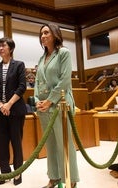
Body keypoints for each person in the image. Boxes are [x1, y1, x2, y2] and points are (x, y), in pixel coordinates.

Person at [34, 23, 79, 188]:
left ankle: (70, 178)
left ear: (55, 34)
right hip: (44, 108)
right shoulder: (41, 58)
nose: (43, 36)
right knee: (50, 145)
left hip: (60, 106)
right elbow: (37, 82)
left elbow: (65, 81)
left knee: (64, 144)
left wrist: (49, 101)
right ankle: (54, 177)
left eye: (46, 32)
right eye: (41, 34)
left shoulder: (64, 53)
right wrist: (37, 99)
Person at [0, 37, 26, 186]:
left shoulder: (19, 65)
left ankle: (17, 173)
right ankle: (4, 174)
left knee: (16, 143)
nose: (0, 49)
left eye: (3, 46)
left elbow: (22, 86)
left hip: (15, 110)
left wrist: (9, 104)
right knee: (2, 144)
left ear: (10, 49)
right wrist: (0, 104)